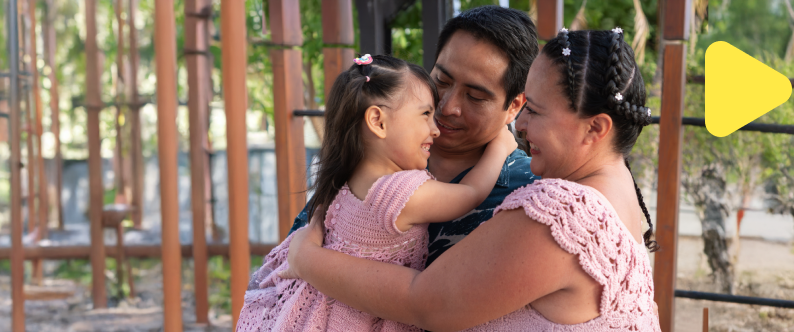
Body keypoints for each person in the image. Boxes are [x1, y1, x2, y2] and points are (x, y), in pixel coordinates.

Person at [282, 29, 661, 331]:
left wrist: (305, 258)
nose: (522, 126)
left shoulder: (566, 211)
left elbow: (427, 303)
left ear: (596, 127)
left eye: (534, 111)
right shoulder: (617, 187)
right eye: (441, 82)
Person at [234, 54, 520, 332]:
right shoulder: (403, 192)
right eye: (425, 114)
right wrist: (500, 148)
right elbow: (470, 192)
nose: (435, 129)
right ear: (378, 122)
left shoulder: (347, 179)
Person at [288, 5, 542, 265]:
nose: (447, 106)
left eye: (475, 97)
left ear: (514, 105)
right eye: (441, 80)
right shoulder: (376, 156)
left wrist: (307, 260)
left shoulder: (530, 193)